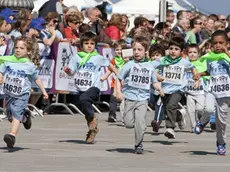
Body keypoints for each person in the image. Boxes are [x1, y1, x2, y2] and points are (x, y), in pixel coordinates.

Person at [64, 32, 116, 144]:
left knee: (84, 100)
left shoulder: (97, 57)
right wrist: (68, 71)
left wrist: (119, 75)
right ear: (81, 45)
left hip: (94, 87)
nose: (89, 46)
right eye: (86, 43)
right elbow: (71, 72)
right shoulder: (76, 58)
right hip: (81, 87)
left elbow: (110, 65)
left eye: (92, 44)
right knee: (84, 108)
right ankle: (92, 129)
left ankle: (93, 118)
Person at [116, 36, 164, 154]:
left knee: (140, 121)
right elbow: (118, 78)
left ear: (146, 52)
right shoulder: (129, 65)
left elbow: (154, 82)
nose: (136, 52)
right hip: (129, 97)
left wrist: (159, 89)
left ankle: (139, 144)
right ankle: (139, 126)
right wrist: (118, 91)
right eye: (134, 50)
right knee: (128, 123)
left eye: (139, 49)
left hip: (143, 99)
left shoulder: (149, 66)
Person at [0, 36, 48, 148]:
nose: (18, 50)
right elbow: (1, 71)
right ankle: (25, 117)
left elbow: (37, 79)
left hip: (22, 94)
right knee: (10, 115)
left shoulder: (30, 66)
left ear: (28, 51)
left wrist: (44, 92)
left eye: (22, 48)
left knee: (16, 115)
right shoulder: (8, 61)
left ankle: (11, 136)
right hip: (10, 93)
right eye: (16, 47)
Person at [156, 37, 200, 139]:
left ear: (181, 51)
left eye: (176, 49)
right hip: (165, 89)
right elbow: (153, 68)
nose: (173, 51)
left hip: (178, 89)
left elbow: (193, 68)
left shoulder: (184, 62)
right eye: (171, 48)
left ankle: (170, 128)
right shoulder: (163, 60)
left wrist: (196, 79)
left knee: (171, 105)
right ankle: (179, 116)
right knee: (168, 109)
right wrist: (157, 76)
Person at [194, 30, 230, 155]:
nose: (218, 45)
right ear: (211, 45)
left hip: (225, 93)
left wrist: (227, 55)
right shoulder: (210, 58)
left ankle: (221, 143)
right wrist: (200, 74)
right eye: (215, 43)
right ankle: (203, 122)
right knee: (208, 109)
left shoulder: (227, 57)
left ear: (227, 43)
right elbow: (209, 71)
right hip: (212, 90)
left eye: (221, 43)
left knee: (221, 122)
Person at [101, 39, 129, 122]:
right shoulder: (113, 60)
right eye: (117, 50)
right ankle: (112, 115)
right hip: (115, 83)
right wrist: (104, 77)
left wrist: (127, 61)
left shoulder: (127, 60)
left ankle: (126, 116)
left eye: (121, 50)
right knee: (113, 99)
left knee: (125, 101)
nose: (119, 51)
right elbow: (110, 70)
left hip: (125, 83)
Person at [185, 44, 206, 132]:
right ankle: (194, 127)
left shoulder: (201, 64)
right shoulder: (185, 64)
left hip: (200, 92)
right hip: (189, 92)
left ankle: (200, 121)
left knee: (200, 109)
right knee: (190, 111)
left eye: (195, 52)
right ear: (187, 54)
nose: (192, 54)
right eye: (190, 52)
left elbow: (206, 73)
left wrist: (200, 75)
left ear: (198, 54)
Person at [148, 44, 166, 132]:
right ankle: (175, 113)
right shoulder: (149, 64)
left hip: (162, 89)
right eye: (153, 55)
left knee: (160, 105)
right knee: (152, 103)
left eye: (157, 55)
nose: (155, 57)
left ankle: (156, 122)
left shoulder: (164, 63)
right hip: (152, 89)